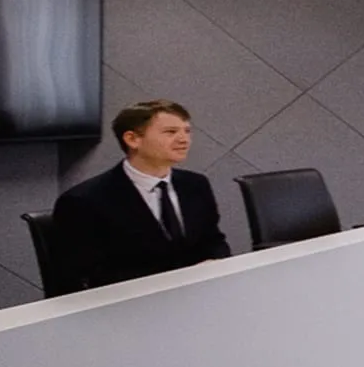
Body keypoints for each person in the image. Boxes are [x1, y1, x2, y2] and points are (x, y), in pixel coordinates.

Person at [51, 100, 231, 289]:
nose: (184, 139)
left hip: (198, 293)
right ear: (132, 139)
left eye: (187, 131)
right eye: (170, 132)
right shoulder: (83, 201)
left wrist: (214, 263)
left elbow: (213, 240)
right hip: (129, 300)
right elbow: (83, 276)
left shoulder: (195, 184)